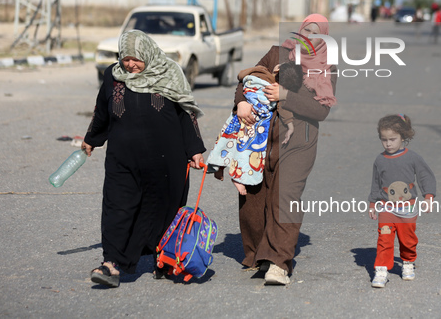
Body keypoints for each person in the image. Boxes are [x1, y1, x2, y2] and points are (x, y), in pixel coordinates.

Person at [82, 29, 206, 288]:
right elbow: (102, 111)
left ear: (148, 53)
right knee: (117, 207)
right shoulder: (113, 76)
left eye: (136, 59)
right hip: (122, 159)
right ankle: (111, 264)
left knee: (163, 209)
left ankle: (164, 259)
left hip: (166, 160)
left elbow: (186, 113)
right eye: (125, 59)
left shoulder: (169, 72)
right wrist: (92, 138)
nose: (130, 64)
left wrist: (194, 149)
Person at [235, 14, 337, 285]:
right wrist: (241, 104)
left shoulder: (327, 66)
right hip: (261, 136)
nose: (310, 36)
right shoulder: (278, 52)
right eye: (307, 30)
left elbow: (321, 110)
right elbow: (249, 80)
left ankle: (279, 263)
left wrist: (286, 96)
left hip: (300, 140)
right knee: (255, 195)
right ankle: (259, 254)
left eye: (318, 33)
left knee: (285, 195)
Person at [206, 61, 304, 196]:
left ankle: (218, 165)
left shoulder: (259, 72)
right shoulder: (276, 88)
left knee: (225, 141)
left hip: (237, 118)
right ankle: (239, 178)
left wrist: (249, 77)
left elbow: (242, 75)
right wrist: (290, 125)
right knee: (246, 152)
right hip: (255, 124)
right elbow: (283, 108)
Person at [368, 114, 436, 288]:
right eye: (384, 140)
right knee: (384, 239)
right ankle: (381, 269)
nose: (388, 143)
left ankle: (407, 262)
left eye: (392, 139)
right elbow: (376, 183)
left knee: (407, 239)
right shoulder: (380, 160)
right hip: (386, 208)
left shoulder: (412, 158)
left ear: (403, 137)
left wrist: (428, 196)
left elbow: (425, 176)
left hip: (408, 208)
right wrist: (373, 203)